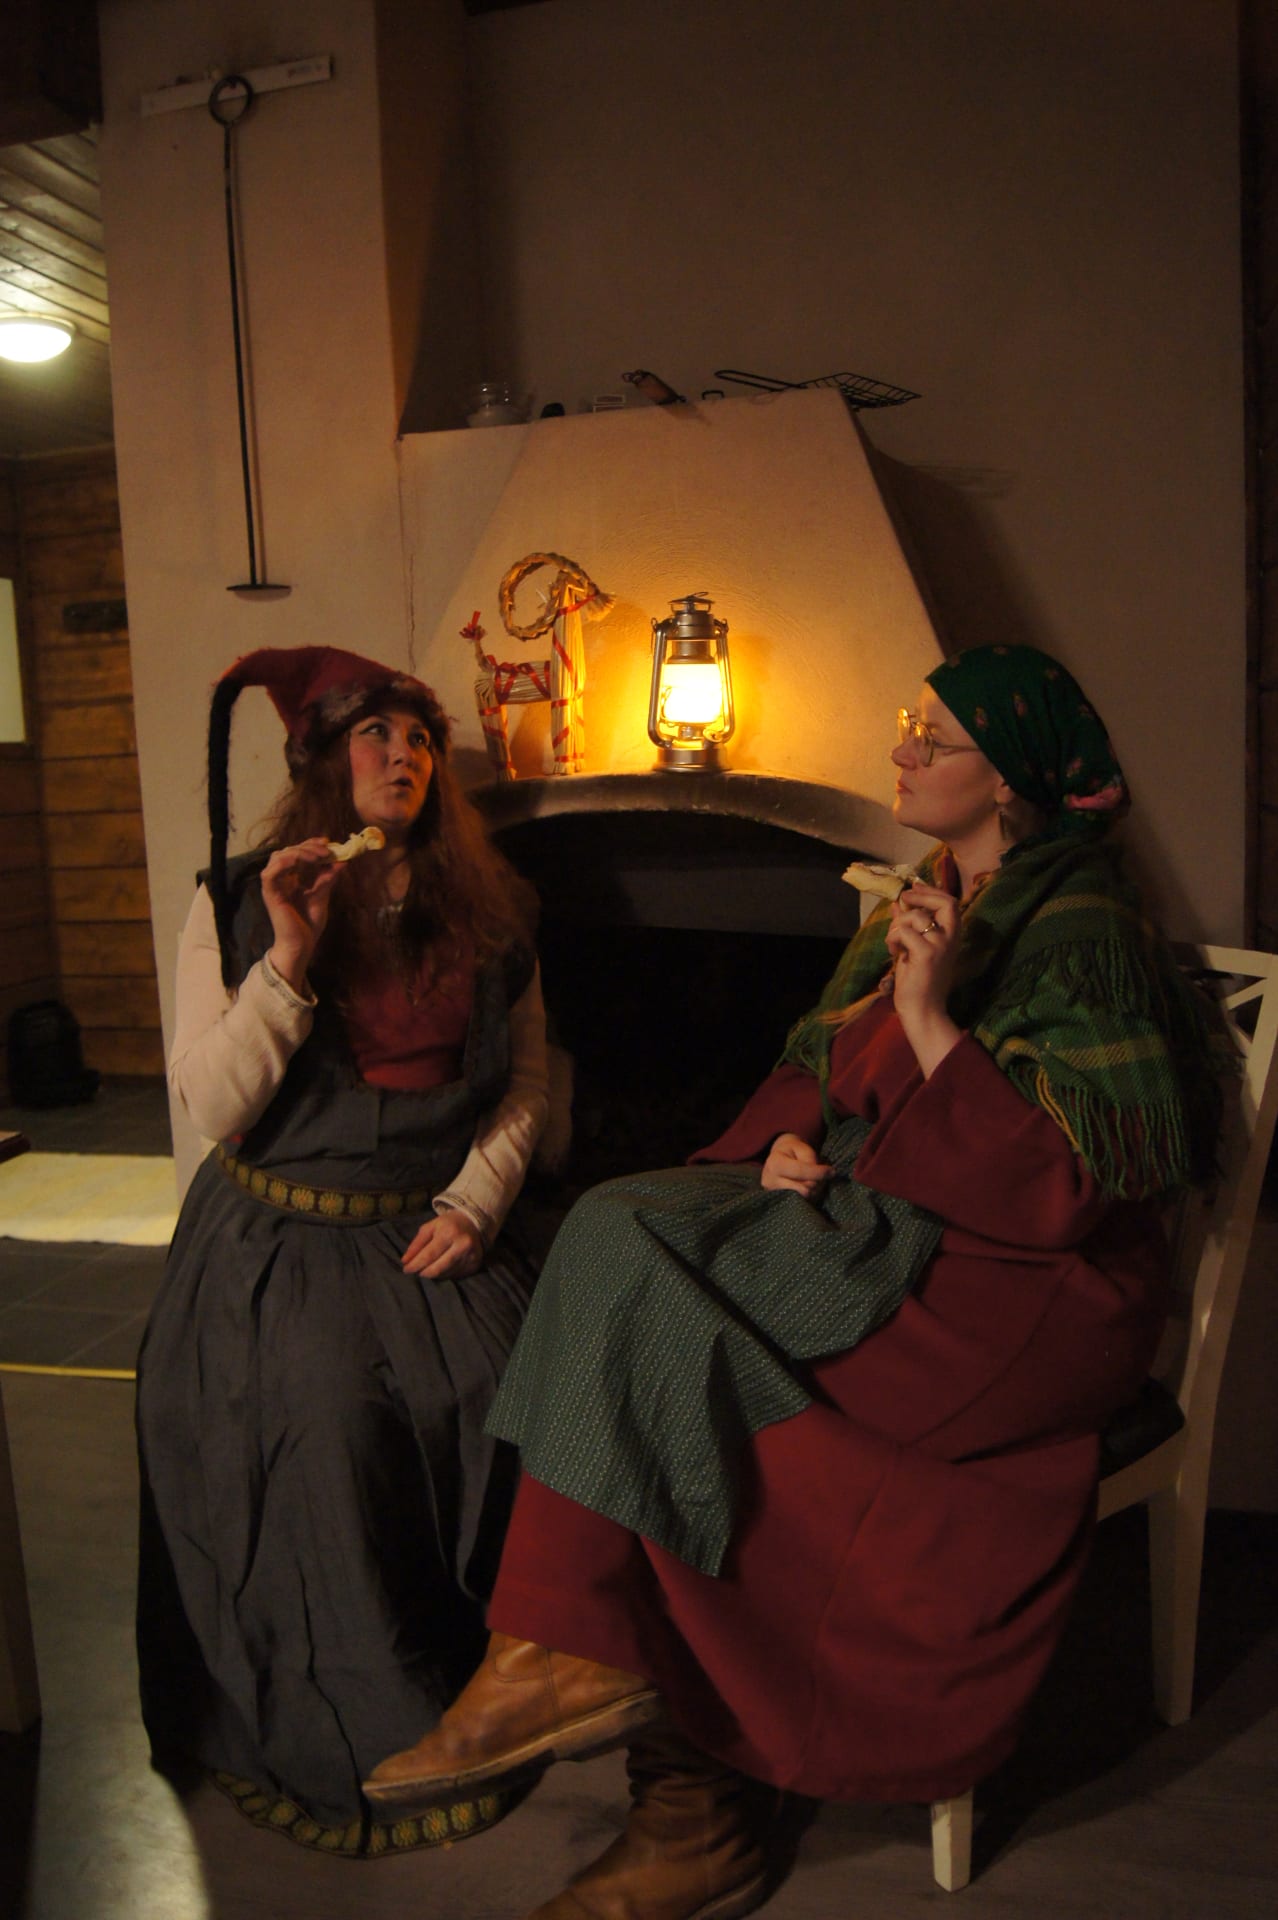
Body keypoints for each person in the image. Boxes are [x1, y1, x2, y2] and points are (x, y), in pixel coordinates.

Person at [359, 644, 1225, 1919]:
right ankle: (552, 1657)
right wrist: (786, 1136)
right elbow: (822, 1068)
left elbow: (1070, 1185)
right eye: (909, 724)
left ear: (1009, 780)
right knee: (610, 1229)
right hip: (885, 1210)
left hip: (1017, 1289)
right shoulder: (925, 893)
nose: (901, 752)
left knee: (658, 1343)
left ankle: (677, 1797)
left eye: (934, 739)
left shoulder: (1081, 927)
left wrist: (929, 1017)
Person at [136, 645, 549, 1855]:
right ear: (323, 763)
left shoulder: (494, 911)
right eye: (377, 735)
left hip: (431, 1224)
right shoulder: (229, 902)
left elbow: (527, 1081)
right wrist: (288, 956)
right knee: (325, 1421)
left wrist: (476, 1203)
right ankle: (358, 1730)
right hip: (279, 1235)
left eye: (419, 738)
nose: (403, 755)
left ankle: (500, 1697)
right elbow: (213, 1105)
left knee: (517, 1393)